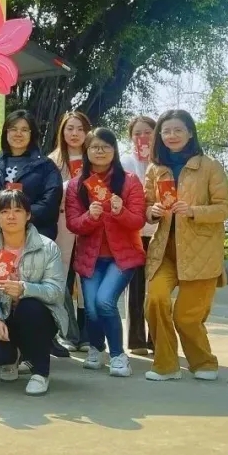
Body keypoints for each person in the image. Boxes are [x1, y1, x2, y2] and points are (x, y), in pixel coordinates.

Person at [143, 109, 228, 382]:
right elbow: (146, 205)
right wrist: (152, 212)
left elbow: (225, 208)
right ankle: (166, 365)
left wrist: (193, 211)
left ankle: (204, 362)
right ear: (160, 135)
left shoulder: (210, 166)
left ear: (190, 133)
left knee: (186, 316)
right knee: (155, 300)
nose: (172, 135)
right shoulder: (155, 169)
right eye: (166, 131)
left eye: (178, 130)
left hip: (200, 251)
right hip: (164, 251)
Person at [65, 128, 146, 378]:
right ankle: (96, 348)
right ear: (86, 151)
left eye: (106, 147)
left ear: (114, 150)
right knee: (91, 308)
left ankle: (118, 355)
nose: (100, 151)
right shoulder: (77, 185)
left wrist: (120, 212)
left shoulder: (129, 181)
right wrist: (91, 216)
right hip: (90, 258)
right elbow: (73, 223)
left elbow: (138, 221)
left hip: (121, 257)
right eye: (94, 147)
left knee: (104, 302)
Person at [0, 190, 68, 396]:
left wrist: (25, 289)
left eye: (17, 210)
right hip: (4, 314)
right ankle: (14, 357)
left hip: (40, 317)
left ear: (28, 215)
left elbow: (56, 291)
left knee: (29, 307)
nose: (11, 216)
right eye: (4, 211)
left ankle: (40, 372)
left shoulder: (47, 247)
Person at [49, 110, 92, 350]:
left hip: (89, 224)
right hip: (62, 224)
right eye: (70, 128)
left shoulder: (95, 157)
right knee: (62, 275)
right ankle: (66, 332)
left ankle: (87, 333)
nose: (75, 134)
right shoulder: (52, 160)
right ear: (62, 132)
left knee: (86, 277)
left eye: (80, 129)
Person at [0, 110, 62, 241]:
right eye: (13, 129)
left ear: (31, 134)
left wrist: (20, 216)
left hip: (36, 234)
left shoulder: (45, 165)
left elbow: (50, 202)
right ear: (6, 132)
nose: (18, 134)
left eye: (24, 130)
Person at [121, 115, 157, 354]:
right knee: (134, 287)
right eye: (137, 133)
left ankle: (156, 338)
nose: (142, 137)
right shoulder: (125, 162)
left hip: (159, 232)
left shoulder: (164, 161)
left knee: (157, 287)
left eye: (147, 132)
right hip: (132, 232)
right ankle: (135, 340)